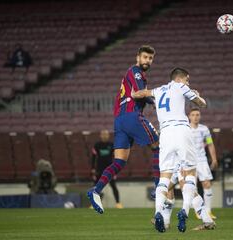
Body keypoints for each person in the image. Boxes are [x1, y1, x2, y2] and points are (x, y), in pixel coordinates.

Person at [132, 67, 209, 233]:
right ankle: (184, 211)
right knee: (189, 174)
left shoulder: (158, 90)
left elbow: (141, 94)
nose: (188, 83)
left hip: (165, 134)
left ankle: (158, 212)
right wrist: (198, 96)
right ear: (181, 79)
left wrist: (132, 93)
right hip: (181, 130)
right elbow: (201, 103)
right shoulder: (181, 87)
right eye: (187, 80)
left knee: (164, 177)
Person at [87, 45, 160, 214]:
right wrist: (157, 96)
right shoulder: (135, 71)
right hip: (131, 116)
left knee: (119, 161)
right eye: (145, 57)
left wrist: (150, 100)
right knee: (158, 145)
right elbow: (136, 94)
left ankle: (96, 190)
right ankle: (158, 187)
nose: (147, 61)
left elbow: (139, 93)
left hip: (119, 120)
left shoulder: (137, 74)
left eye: (150, 58)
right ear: (138, 57)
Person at [188, 108, 218, 219]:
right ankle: (198, 211)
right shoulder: (185, 129)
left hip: (202, 160)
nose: (195, 117)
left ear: (200, 116)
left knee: (207, 184)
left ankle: (208, 211)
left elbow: (210, 144)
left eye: (197, 115)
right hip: (189, 161)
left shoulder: (204, 129)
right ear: (189, 116)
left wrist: (214, 159)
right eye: (193, 115)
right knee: (192, 186)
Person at [91, 130, 123, 209]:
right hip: (99, 169)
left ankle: (118, 203)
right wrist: (92, 168)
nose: (104, 136)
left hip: (110, 170)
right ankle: (94, 204)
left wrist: (116, 169)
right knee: (96, 187)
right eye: (103, 134)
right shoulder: (97, 145)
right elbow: (93, 157)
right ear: (100, 135)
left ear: (108, 136)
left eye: (106, 134)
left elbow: (116, 157)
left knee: (114, 186)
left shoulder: (112, 145)